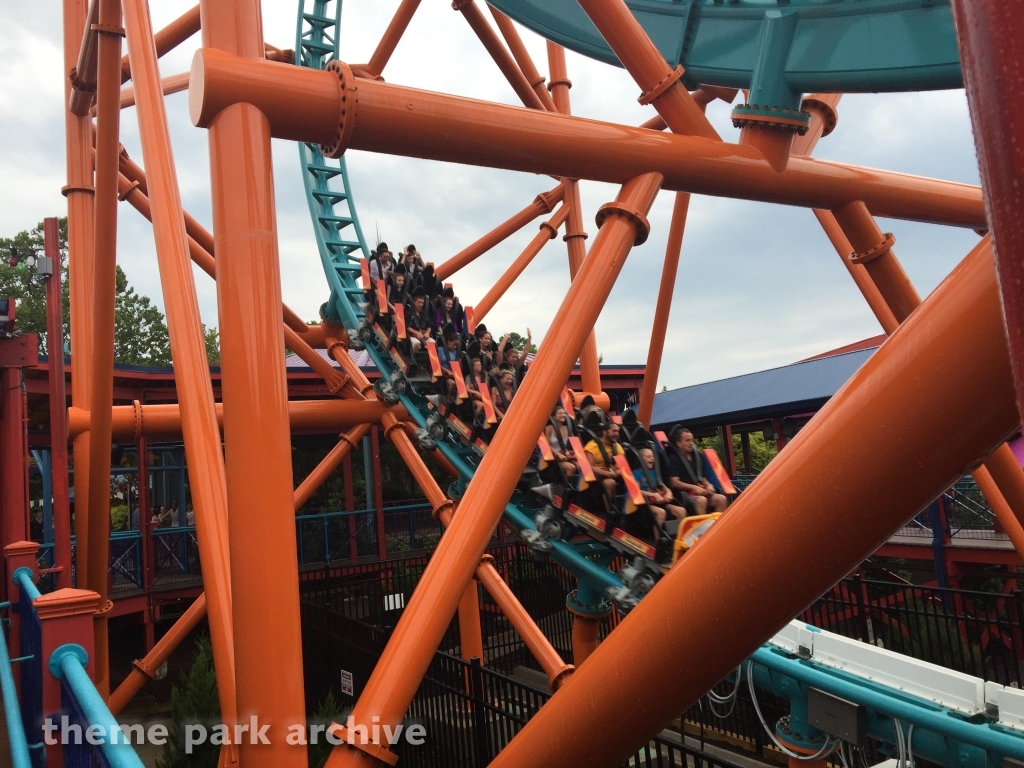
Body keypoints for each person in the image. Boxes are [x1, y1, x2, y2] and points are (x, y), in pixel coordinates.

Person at [666, 426, 727, 514]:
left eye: (691, 440)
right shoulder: (673, 459)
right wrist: (694, 487)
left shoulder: (697, 456)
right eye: (687, 441)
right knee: (701, 500)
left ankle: (719, 526)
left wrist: (708, 485)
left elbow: (702, 477)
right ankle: (702, 527)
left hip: (700, 491)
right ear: (678, 443)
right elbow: (675, 482)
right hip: (684, 494)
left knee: (721, 499)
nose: (691, 443)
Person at [634, 447, 689, 529]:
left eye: (652, 457)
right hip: (645, 504)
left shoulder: (654, 472)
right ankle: (658, 540)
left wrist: (668, 493)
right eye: (648, 457)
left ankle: (678, 537)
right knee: (661, 512)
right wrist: (654, 495)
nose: (652, 458)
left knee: (681, 511)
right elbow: (636, 491)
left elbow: (662, 485)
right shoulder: (635, 473)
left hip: (659, 501)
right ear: (641, 459)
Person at [582, 416, 625, 510]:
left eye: (618, 431)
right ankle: (610, 512)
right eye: (614, 431)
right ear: (605, 432)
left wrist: (616, 472)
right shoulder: (592, 446)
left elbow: (622, 465)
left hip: (612, 475)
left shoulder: (617, 447)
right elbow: (590, 467)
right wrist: (608, 474)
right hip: (595, 479)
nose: (617, 434)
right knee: (610, 483)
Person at [544, 405, 578, 478]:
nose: (563, 415)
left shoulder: (567, 429)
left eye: (564, 413)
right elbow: (546, 445)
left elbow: (574, 444)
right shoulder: (549, 428)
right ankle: (564, 487)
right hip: (556, 457)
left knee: (580, 465)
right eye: (560, 413)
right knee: (571, 468)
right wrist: (558, 455)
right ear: (554, 416)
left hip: (567, 456)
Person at [405, 286, 433, 353]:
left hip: (423, 334)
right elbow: (407, 327)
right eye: (419, 302)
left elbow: (430, 325)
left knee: (433, 343)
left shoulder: (425, 314)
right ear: (414, 302)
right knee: (416, 343)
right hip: (412, 335)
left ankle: (429, 361)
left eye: (422, 303)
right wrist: (416, 333)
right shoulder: (409, 313)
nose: (421, 304)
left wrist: (427, 332)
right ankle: (413, 359)